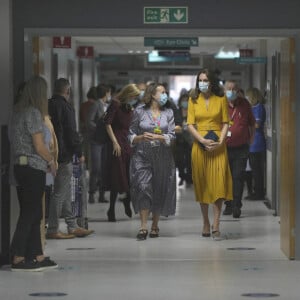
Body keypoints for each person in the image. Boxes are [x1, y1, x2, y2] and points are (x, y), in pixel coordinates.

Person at [9, 76, 58, 271]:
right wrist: (51, 161)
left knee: (35, 212)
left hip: (20, 168)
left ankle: (37, 255)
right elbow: (39, 146)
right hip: (33, 168)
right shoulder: (33, 113)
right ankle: (18, 256)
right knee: (30, 213)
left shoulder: (17, 112)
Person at [187, 68, 232, 239]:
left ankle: (216, 224)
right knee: (203, 184)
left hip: (218, 145)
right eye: (200, 80)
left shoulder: (221, 98)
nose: (203, 83)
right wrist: (202, 140)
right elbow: (190, 124)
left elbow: (226, 122)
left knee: (219, 184)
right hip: (200, 145)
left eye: (206, 80)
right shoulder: (193, 100)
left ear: (212, 82)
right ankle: (205, 221)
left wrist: (220, 141)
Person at [46, 78, 94, 239]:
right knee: (59, 192)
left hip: (49, 153)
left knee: (64, 190)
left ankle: (72, 225)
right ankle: (53, 228)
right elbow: (70, 133)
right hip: (64, 154)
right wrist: (79, 152)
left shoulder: (47, 104)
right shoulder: (66, 107)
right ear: (68, 91)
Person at [129, 82, 176, 240]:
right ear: (152, 94)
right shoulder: (139, 112)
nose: (164, 95)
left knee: (159, 188)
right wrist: (141, 137)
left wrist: (160, 137)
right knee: (143, 187)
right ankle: (143, 226)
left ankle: (155, 224)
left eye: (165, 92)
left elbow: (172, 135)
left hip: (162, 156)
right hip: (142, 155)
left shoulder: (168, 112)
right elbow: (130, 134)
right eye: (161, 92)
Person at [104, 83, 141, 222]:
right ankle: (111, 209)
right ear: (128, 94)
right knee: (117, 175)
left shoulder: (129, 107)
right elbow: (107, 123)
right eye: (134, 96)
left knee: (130, 175)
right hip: (117, 142)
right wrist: (114, 142)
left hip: (128, 142)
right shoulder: (115, 104)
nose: (135, 99)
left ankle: (127, 200)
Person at [223, 80, 256, 218]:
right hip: (224, 148)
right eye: (228, 89)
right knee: (226, 178)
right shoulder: (220, 104)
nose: (231, 91)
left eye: (234, 89)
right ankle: (228, 204)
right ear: (224, 90)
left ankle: (236, 205)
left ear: (237, 91)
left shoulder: (244, 104)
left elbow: (252, 123)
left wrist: (251, 139)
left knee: (238, 177)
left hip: (241, 148)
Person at [86, 83, 111, 203]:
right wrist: (98, 128)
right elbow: (89, 121)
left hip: (105, 141)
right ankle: (91, 193)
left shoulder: (108, 105)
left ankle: (102, 194)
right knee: (96, 168)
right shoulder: (96, 105)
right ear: (106, 93)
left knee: (104, 168)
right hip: (96, 140)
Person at [245, 87, 266, 200]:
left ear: (252, 96)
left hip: (257, 144)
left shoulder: (259, 108)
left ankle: (259, 193)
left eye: (248, 96)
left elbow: (257, 125)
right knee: (253, 170)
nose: (247, 99)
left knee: (257, 170)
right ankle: (255, 191)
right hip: (252, 144)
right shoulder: (252, 108)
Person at [175, 92, 193, 186]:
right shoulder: (177, 112)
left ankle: (189, 179)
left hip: (190, 141)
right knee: (180, 161)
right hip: (179, 140)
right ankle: (182, 176)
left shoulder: (192, 112)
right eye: (183, 101)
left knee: (190, 161)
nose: (185, 102)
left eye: (187, 101)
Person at [79, 86, 97, 170]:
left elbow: (81, 120)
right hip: (93, 133)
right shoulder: (95, 106)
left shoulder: (83, 105)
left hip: (84, 132)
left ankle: (87, 171)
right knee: (92, 155)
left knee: (85, 153)